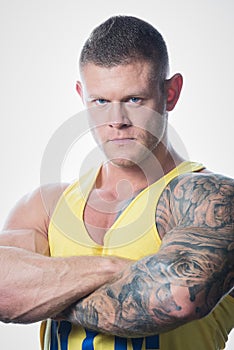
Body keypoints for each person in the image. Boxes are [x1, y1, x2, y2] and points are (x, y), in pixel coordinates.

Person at [1, 15, 233, 350]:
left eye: (134, 100)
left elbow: (177, 299)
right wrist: (116, 270)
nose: (117, 121)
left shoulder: (210, 199)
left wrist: (40, 291)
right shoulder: (47, 206)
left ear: (170, 93)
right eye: (100, 102)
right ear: (82, 95)